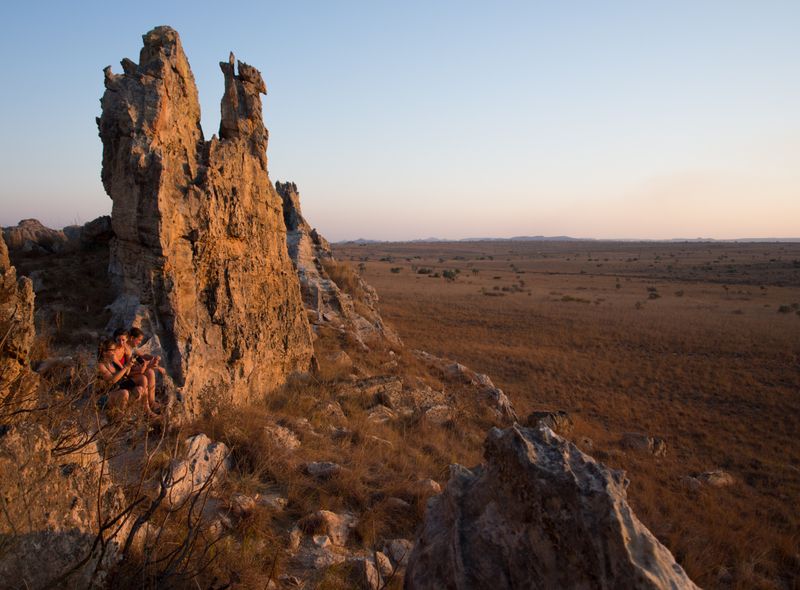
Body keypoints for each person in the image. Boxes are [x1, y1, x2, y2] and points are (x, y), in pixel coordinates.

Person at [96, 338, 157, 419]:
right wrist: (126, 367)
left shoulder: (113, 361)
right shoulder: (101, 365)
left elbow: (126, 374)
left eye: (115, 350)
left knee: (140, 388)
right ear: (104, 353)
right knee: (124, 393)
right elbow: (112, 381)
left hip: (117, 390)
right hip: (105, 397)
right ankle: (121, 418)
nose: (115, 352)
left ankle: (147, 411)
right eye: (113, 350)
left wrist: (130, 361)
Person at [127, 327, 167, 412]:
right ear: (132, 338)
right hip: (127, 374)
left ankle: (151, 402)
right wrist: (155, 366)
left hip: (132, 371)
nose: (140, 342)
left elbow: (142, 355)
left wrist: (153, 358)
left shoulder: (132, 348)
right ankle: (147, 407)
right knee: (146, 374)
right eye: (139, 340)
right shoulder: (127, 349)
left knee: (150, 372)